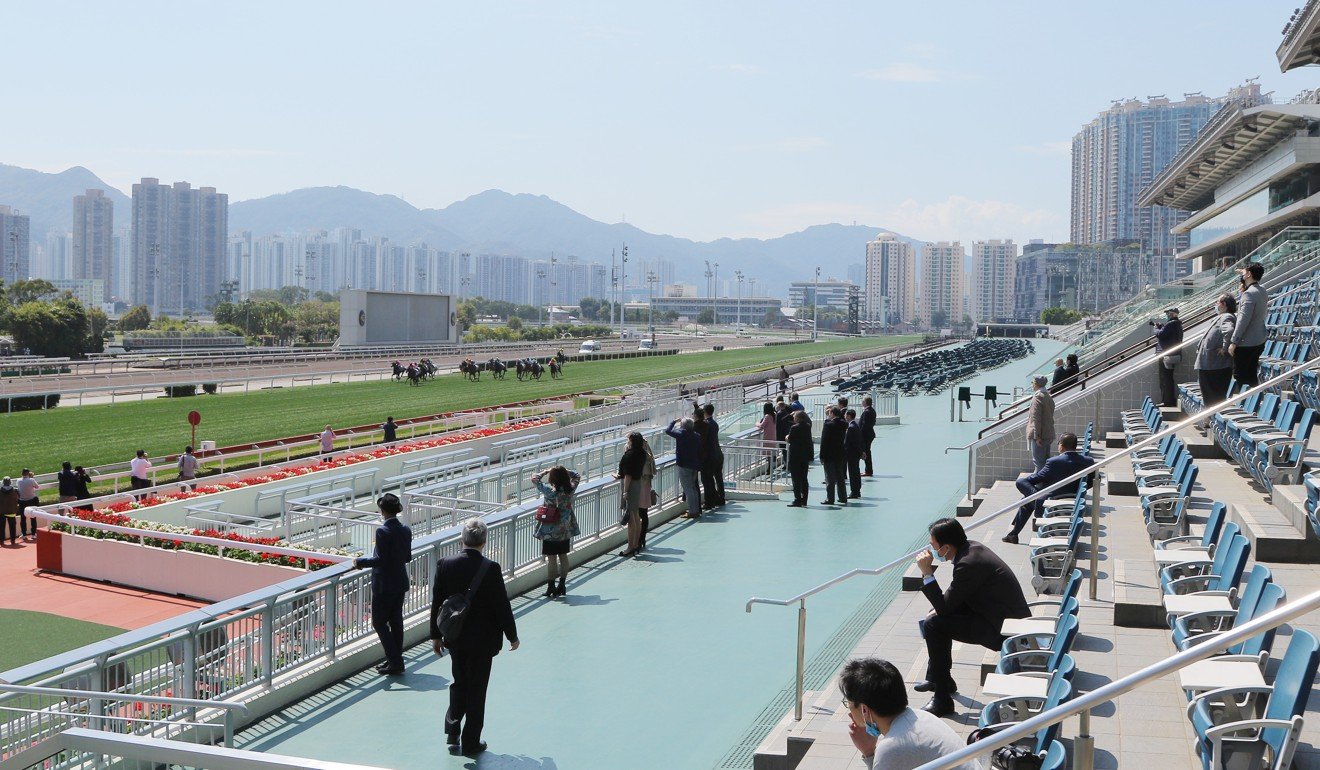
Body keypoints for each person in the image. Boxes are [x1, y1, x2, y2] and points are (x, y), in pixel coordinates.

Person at [914, 518, 1029, 717]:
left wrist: (926, 573)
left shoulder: (967, 564)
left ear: (946, 547)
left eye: (933, 546)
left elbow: (944, 606)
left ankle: (942, 698)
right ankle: (940, 678)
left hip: (1005, 632)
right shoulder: (973, 550)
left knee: (934, 625)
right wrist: (939, 609)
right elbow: (955, 600)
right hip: (1001, 619)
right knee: (934, 619)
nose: (931, 550)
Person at [430, 518, 518, 757]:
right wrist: (512, 635)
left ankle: (452, 727)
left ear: (462, 540)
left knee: (459, 681)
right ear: (484, 542)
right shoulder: (490, 568)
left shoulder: (445, 564)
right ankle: (471, 742)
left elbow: (438, 603)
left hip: (455, 637)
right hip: (483, 641)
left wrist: (436, 636)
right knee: (477, 688)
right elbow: (501, 605)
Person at [840, 658, 983, 770]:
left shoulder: (892, 747)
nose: (849, 711)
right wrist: (869, 750)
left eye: (848, 702)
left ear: (864, 709)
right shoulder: (921, 716)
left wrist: (870, 753)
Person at [352, 493, 413, 676]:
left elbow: (380, 560)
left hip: (384, 585)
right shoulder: (405, 530)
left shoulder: (382, 531)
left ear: (383, 511)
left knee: (379, 623)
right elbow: (407, 557)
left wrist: (360, 562)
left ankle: (395, 660)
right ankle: (395, 660)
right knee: (396, 621)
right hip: (400, 582)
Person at [1003, 433, 1096, 544]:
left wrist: (1035, 488)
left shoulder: (1053, 462)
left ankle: (1014, 533)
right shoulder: (1088, 461)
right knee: (1026, 500)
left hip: (1051, 502)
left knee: (1021, 484)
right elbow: (1092, 482)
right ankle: (1013, 534)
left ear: (1061, 446)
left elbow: (1034, 479)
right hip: (1073, 500)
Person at [533, 466, 581, 597]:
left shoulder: (549, 492)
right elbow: (577, 475)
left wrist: (545, 471)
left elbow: (535, 478)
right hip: (565, 529)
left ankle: (551, 587)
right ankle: (562, 584)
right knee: (563, 556)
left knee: (552, 559)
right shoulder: (570, 490)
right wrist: (566, 471)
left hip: (550, 530)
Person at [1195, 293, 1238, 413]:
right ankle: (1210, 418)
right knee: (1208, 396)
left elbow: (1229, 331)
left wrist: (1225, 349)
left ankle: (1211, 418)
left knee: (1213, 397)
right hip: (1210, 364)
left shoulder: (1227, 317)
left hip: (1215, 365)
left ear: (1223, 304)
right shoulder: (1221, 317)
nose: (1216, 305)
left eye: (1217, 302)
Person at [616, 432, 655, 557]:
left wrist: (625, 491)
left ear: (632, 441)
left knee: (632, 519)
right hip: (638, 484)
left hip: (631, 486)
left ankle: (630, 547)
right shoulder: (642, 453)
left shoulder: (630, 455)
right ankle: (637, 544)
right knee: (637, 517)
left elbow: (627, 475)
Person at [1230, 262, 1268, 388]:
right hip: (1259, 340)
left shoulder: (1248, 294)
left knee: (1240, 376)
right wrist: (1243, 271)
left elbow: (1243, 319)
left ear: (1249, 275)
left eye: (1244, 273)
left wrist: (1234, 341)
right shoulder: (1262, 290)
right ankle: (1252, 403)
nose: (1242, 275)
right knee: (1251, 375)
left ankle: (1244, 403)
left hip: (1246, 342)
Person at [666, 417, 704, 519]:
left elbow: (668, 431)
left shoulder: (681, 434)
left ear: (683, 426)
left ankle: (692, 512)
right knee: (693, 488)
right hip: (695, 465)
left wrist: (674, 421)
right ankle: (696, 509)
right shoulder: (697, 436)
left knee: (688, 488)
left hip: (684, 465)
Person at [1153, 306, 1184, 407]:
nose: (1168, 315)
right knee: (1168, 377)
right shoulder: (1176, 324)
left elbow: (1161, 335)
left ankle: (1167, 401)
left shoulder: (1171, 324)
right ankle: (1168, 400)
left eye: (1169, 313)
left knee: (1165, 378)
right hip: (1172, 354)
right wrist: (1162, 327)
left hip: (1167, 355)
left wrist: (1156, 329)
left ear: (1173, 314)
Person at [1025, 376, 1055, 473]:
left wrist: (1037, 436)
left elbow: (1036, 418)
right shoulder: (1048, 396)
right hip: (1048, 433)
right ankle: (1044, 483)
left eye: (1033, 382)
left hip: (1040, 435)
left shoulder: (1038, 397)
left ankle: (1039, 486)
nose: (1032, 384)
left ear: (1036, 384)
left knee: (1038, 462)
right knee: (1045, 461)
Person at [819, 407, 848, 506]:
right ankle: (843, 497)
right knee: (840, 476)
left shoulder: (828, 425)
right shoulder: (844, 424)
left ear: (832, 413)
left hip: (829, 454)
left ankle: (830, 498)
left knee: (830, 477)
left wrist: (821, 456)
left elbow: (824, 441)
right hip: (839, 453)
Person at [787, 411, 814, 507]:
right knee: (804, 478)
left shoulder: (794, 427)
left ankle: (797, 499)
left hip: (795, 456)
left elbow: (790, 439)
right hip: (804, 456)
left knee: (795, 479)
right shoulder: (807, 426)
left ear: (798, 418)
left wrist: (787, 437)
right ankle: (804, 499)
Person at [702, 403, 726, 508]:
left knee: (708, 479)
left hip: (711, 456)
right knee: (718, 477)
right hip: (718, 454)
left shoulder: (706, 424)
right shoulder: (714, 423)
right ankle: (721, 498)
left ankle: (711, 500)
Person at [844, 408, 864, 499]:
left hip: (852, 454)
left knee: (853, 473)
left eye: (845, 415)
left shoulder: (851, 427)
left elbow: (849, 442)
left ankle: (854, 492)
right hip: (855, 453)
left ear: (848, 416)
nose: (844, 416)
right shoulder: (855, 425)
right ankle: (857, 491)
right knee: (855, 472)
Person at [17, 469, 39, 540]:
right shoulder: (31, 480)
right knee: (33, 517)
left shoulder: (18, 480)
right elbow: (37, 486)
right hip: (31, 501)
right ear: (28, 473)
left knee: (23, 518)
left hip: (22, 501)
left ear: (22, 473)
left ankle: (24, 534)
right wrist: (32, 478)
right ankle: (33, 534)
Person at [861, 396, 877, 477]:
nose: (861, 402)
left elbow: (864, 425)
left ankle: (868, 471)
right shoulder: (872, 410)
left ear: (865, 402)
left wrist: (859, 434)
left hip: (866, 435)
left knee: (866, 452)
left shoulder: (867, 412)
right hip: (870, 434)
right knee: (867, 452)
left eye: (863, 401)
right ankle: (868, 470)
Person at [0, 478, 19, 545]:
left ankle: (1, 541)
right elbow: (18, 498)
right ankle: (13, 540)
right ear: (10, 482)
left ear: (3, 483)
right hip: (12, 511)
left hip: (1, 511)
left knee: (1, 527)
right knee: (12, 526)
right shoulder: (15, 490)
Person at [775, 401, 794, 466]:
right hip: (786, 432)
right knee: (785, 450)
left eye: (777, 405)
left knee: (783, 450)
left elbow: (777, 425)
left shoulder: (779, 414)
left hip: (780, 434)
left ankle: (786, 464)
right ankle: (787, 463)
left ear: (779, 406)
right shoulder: (786, 413)